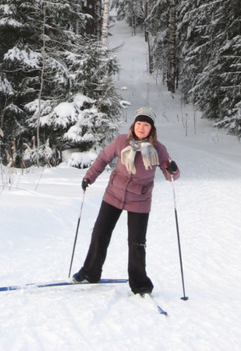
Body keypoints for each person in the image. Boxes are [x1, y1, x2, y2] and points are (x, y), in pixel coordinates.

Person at [72, 106, 179, 296]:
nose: (141, 128)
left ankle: (140, 284)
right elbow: (103, 159)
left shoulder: (158, 149)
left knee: (137, 243)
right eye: (139, 123)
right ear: (134, 124)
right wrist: (89, 177)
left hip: (140, 199)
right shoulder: (121, 141)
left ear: (151, 129)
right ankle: (90, 272)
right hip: (114, 194)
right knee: (100, 233)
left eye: (146, 125)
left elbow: (170, 175)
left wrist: (172, 168)